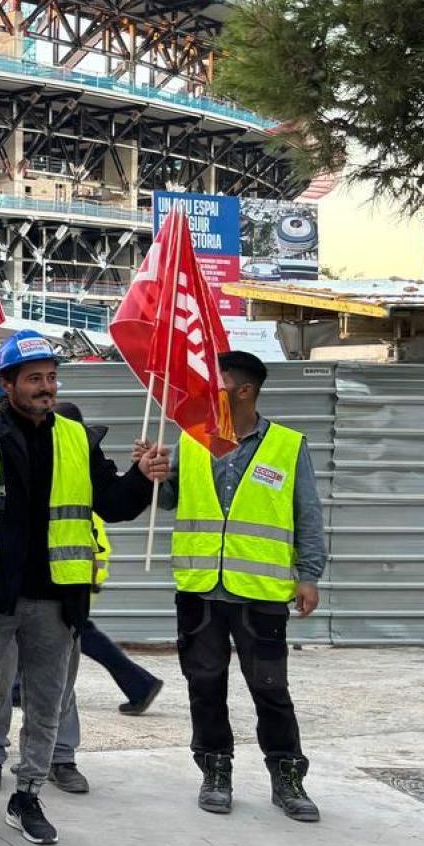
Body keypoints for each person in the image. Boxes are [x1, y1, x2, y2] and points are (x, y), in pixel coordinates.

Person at [0, 320, 166, 846]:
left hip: (57, 599)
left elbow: (113, 503)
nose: (47, 387)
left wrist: (142, 475)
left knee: (48, 703)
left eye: (51, 377)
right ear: (6, 384)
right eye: (34, 378)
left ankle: (27, 794)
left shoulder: (75, 436)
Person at [158, 350, 325, 822]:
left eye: (219, 382)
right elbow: (170, 499)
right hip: (200, 590)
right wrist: (154, 470)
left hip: (261, 593)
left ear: (244, 390)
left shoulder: (288, 446)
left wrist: (308, 575)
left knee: (271, 689)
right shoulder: (191, 440)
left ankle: (288, 777)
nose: (207, 390)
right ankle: (215, 770)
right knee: (205, 686)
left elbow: (306, 514)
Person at [0, 403, 164, 796]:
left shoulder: (80, 455)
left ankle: (58, 759)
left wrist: (140, 476)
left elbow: (113, 505)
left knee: (57, 686)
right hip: (0, 591)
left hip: (61, 592)